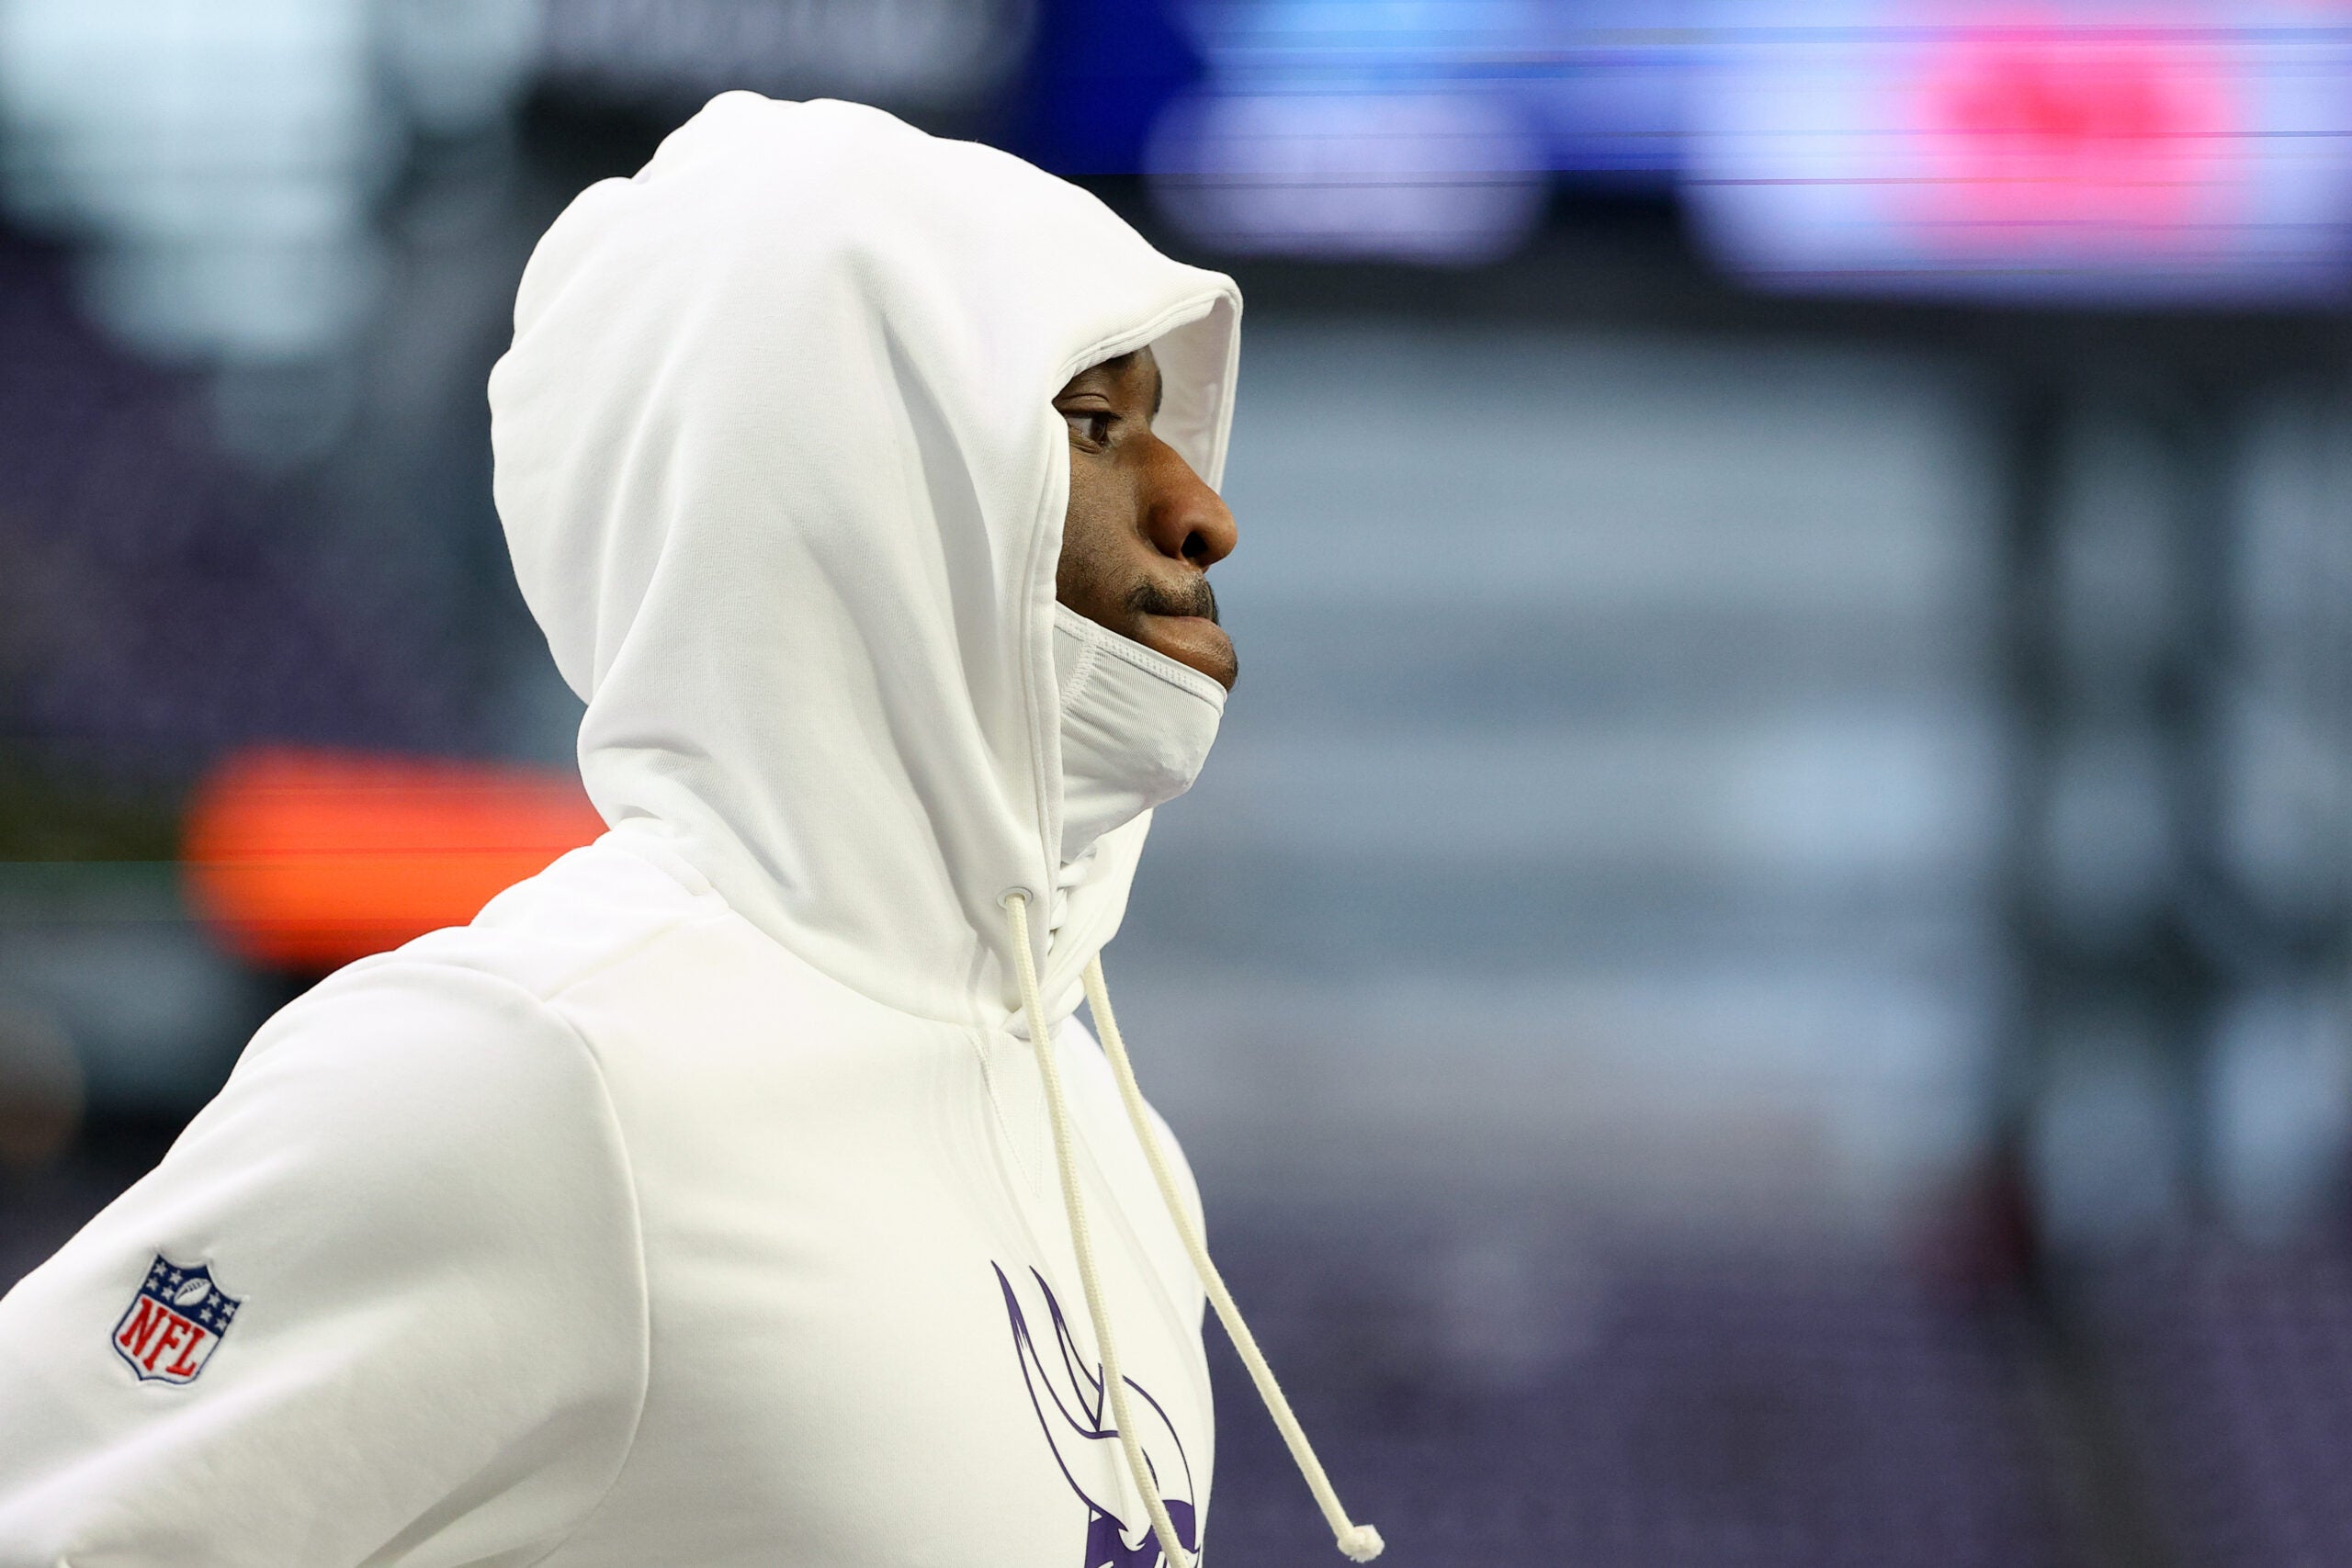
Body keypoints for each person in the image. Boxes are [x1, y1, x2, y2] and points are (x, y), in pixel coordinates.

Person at [0, 95, 1378, 1567]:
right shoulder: (533, 1077)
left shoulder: (1103, 1125)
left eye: (1164, 426)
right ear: (856, 487)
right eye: (1093, 430)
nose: (1204, 512)